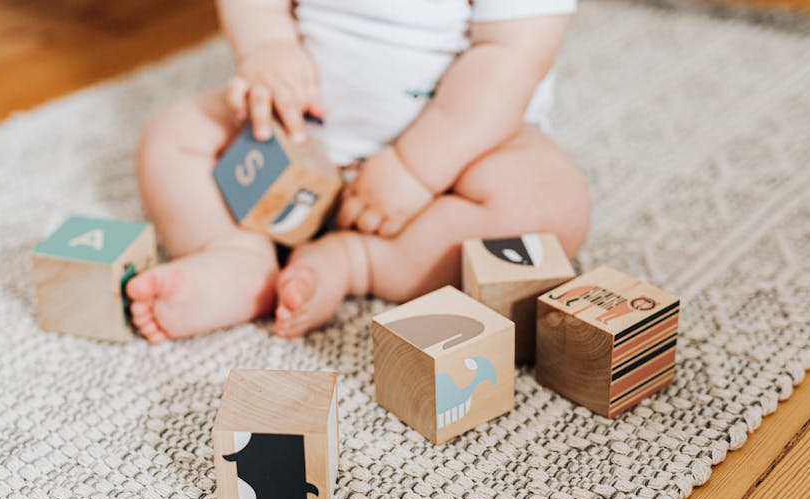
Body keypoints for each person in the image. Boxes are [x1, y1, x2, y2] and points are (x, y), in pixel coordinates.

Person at [127, 0, 591, 343]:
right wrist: (267, 48)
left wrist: (414, 168)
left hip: (453, 155)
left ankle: (358, 261)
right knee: (174, 136)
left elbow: (512, 58)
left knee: (550, 206)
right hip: (298, 134)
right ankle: (237, 255)